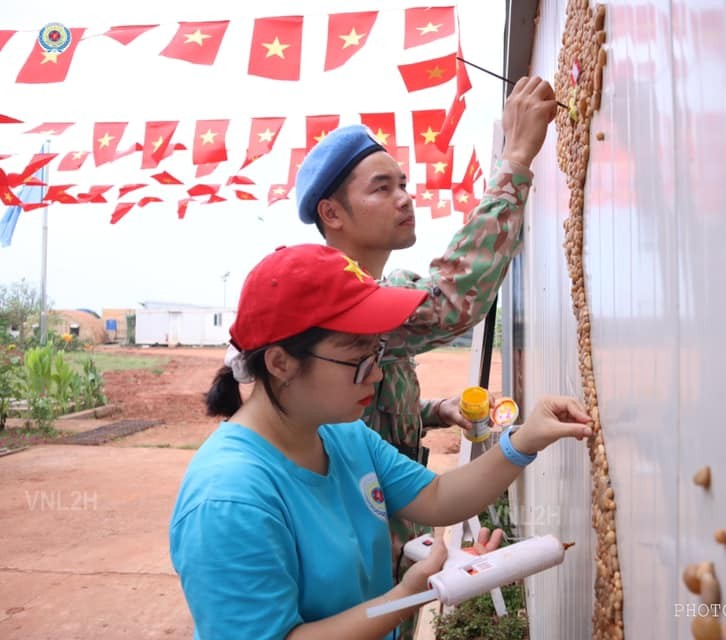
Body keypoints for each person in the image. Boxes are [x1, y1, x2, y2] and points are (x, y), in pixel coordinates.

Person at [169, 243, 592, 640]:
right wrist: (406, 595)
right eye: (357, 361)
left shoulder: (343, 435)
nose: (375, 375)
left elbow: (439, 497)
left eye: (377, 355)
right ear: (280, 362)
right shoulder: (229, 499)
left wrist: (524, 441)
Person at [294, 75, 558, 466]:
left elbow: (370, 411)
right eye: (381, 188)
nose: (404, 199)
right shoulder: (337, 305)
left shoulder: (382, 292)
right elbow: (453, 301)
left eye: (402, 184)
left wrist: (436, 411)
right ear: (331, 213)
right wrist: (516, 158)